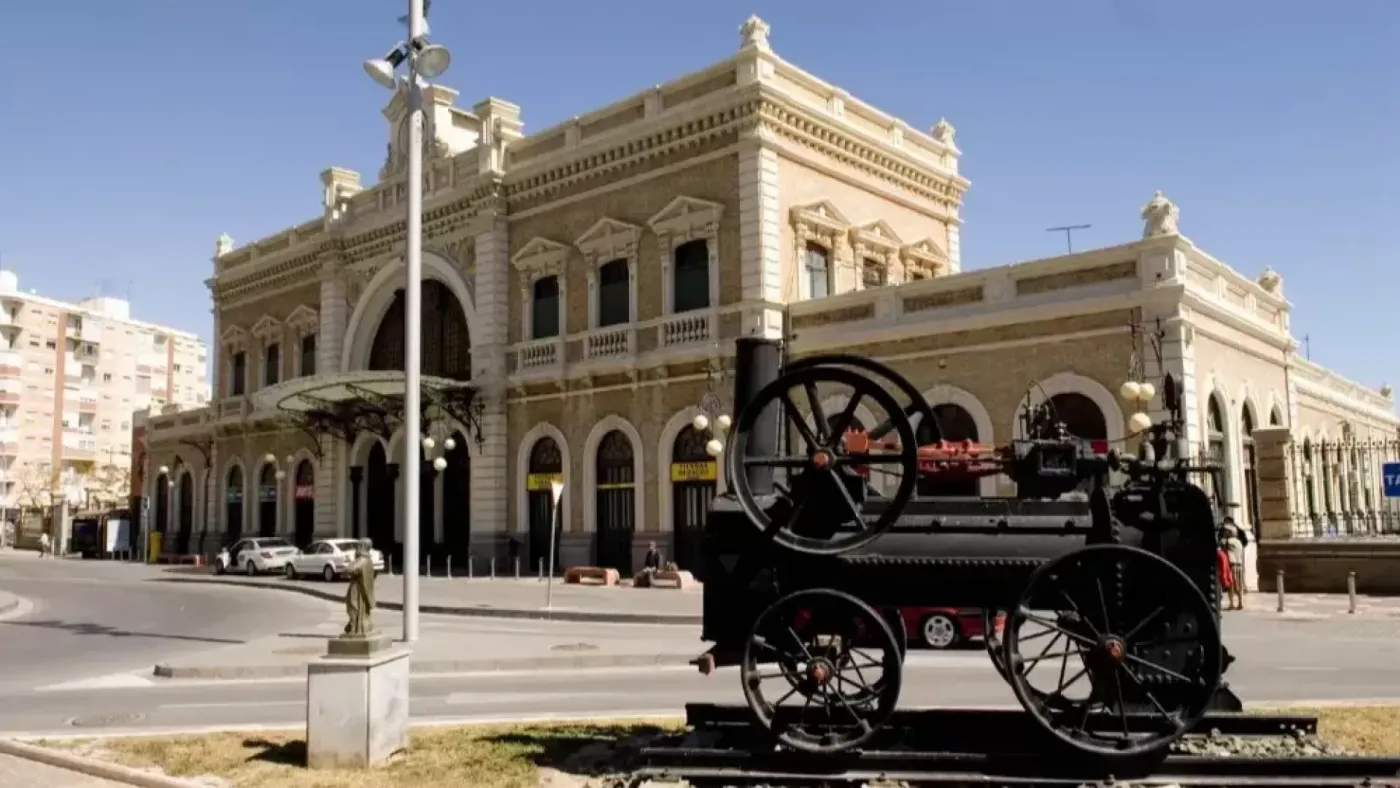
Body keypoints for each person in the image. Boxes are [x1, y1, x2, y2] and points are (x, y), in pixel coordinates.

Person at [1221, 524, 1245, 611]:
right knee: (1239, 584)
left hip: (1231, 565)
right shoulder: (1239, 542)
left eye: (1226, 531)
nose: (1224, 532)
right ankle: (1240, 603)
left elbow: (1222, 551)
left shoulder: (1227, 542)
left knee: (1231, 584)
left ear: (1230, 532)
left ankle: (1232, 604)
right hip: (1239, 564)